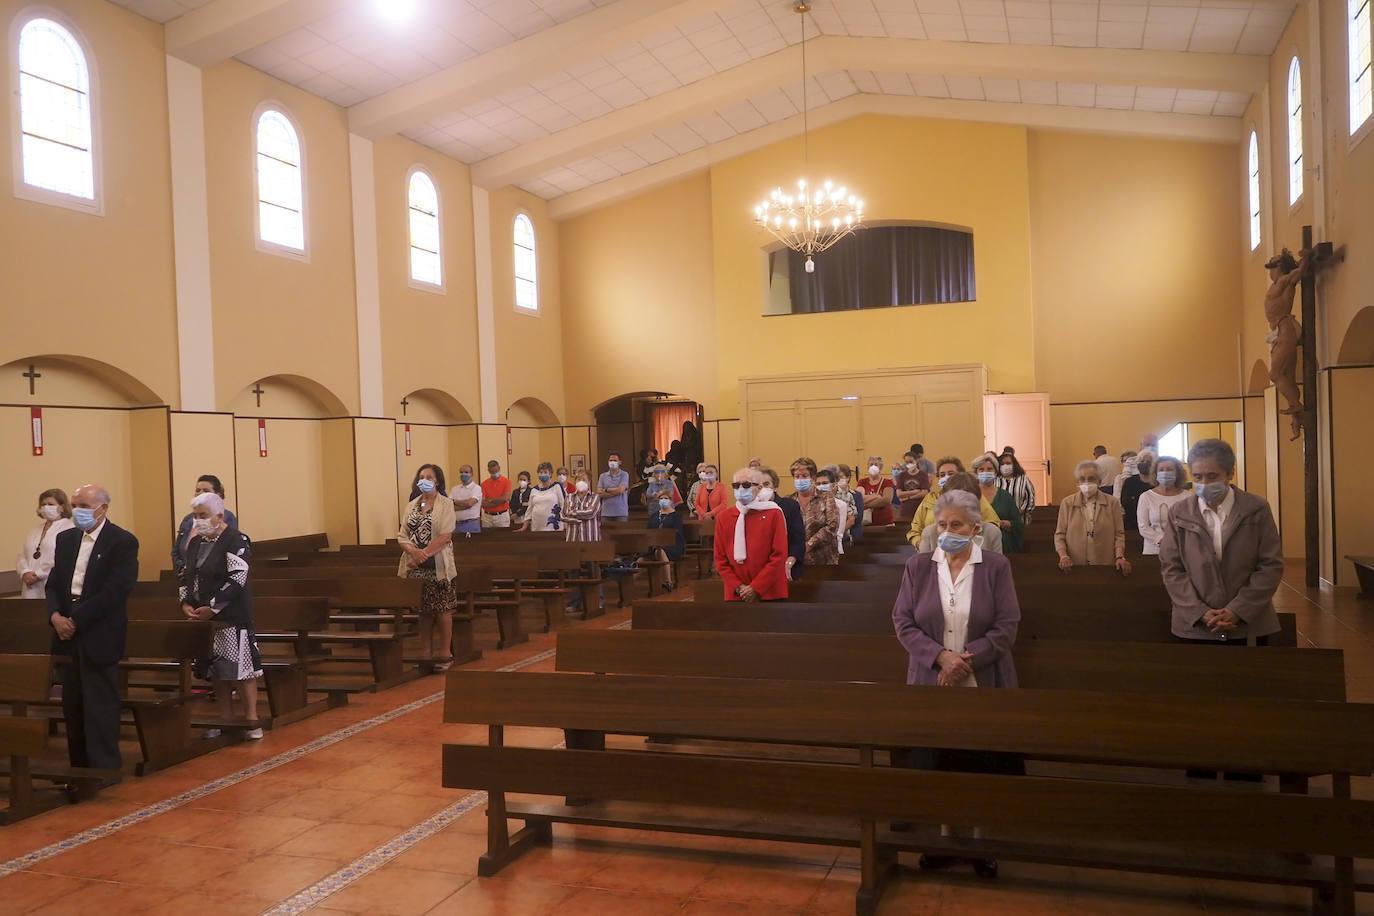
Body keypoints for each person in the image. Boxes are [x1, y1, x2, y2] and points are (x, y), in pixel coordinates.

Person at [891, 488, 1022, 875]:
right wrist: (940, 658)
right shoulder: (918, 566)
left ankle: (981, 844)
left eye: (957, 525)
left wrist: (967, 660)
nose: (947, 531)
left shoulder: (996, 566)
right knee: (939, 761)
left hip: (983, 680)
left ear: (975, 528)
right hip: (932, 680)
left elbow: (1007, 625)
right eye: (942, 524)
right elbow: (903, 622)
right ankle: (944, 840)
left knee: (981, 762)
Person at [46, 483, 138, 772]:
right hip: (66, 632)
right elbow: (53, 585)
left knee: (100, 704)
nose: (78, 512)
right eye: (75, 506)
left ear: (103, 508)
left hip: (99, 630)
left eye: (84, 506)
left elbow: (116, 590)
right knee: (72, 703)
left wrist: (76, 619)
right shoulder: (66, 539)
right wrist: (55, 616)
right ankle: (80, 768)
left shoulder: (121, 541)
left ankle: (104, 769)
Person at [1160, 439, 1282, 644]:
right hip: (1194, 625)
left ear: (1230, 473)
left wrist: (1237, 610)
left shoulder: (1256, 509)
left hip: (1248, 622)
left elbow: (1270, 565)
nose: (1204, 484)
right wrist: (1200, 612)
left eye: (1212, 476)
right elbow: (1172, 568)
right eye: (1197, 477)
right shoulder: (1179, 513)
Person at [180, 492, 262, 739]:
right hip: (205, 620)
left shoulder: (236, 539)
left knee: (241, 672)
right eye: (195, 516)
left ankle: (251, 722)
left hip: (232, 617)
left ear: (219, 515)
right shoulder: (195, 543)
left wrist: (213, 607)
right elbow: (186, 576)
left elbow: (237, 578)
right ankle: (225, 719)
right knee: (217, 671)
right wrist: (186, 602)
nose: (198, 520)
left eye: (202, 515)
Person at [398, 464, 457, 669]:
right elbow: (402, 534)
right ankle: (425, 651)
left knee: (442, 609)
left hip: (438, 565)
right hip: (415, 565)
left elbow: (446, 535)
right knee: (423, 611)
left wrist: (422, 555)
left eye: (429, 477)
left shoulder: (446, 504)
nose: (424, 479)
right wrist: (413, 552)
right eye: (421, 476)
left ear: (437, 481)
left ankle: (444, 652)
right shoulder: (412, 505)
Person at [713, 468, 788, 601]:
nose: (741, 489)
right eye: (736, 486)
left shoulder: (774, 513)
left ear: (759, 488)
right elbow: (720, 558)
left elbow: (779, 555)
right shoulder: (724, 517)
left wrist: (756, 587)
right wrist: (738, 586)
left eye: (746, 485)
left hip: (770, 592)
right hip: (737, 593)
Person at [1055, 461, 1131, 574]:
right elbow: (1060, 535)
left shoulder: (1112, 503)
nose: (1086, 482)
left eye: (1091, 479)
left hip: (1105, 564)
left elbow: (1119, 534)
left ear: (1099, 481)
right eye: (1082, 479)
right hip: (1075, 565)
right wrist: (1064, 556)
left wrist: (1119, 557)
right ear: (1078, 481)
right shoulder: (1067, 503)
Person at [907, 457, 1000, 546]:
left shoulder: (973, 497)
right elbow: (915, 530)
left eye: (950, 474)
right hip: (932, 550)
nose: (946, 477)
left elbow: (992, 523)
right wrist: (921, 544)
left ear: (961, 475)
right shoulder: (930, 498)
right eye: (942, 475)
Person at [915, 473, 1003, 554]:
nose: (959, 507)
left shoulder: (991, 533)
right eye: (952, 501)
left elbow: (997, 567)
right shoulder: (930, 533)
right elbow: (923, 568)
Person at [171, 475, 238, 575]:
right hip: (188, 575)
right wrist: (182, 568)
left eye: (206, 490)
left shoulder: (227, 517)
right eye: (198, 490)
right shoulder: (188, 519)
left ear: (218, 495)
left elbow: (230, 547)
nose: (200, 493)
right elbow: (176, 550)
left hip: (213, 574)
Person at [18, 489, 75, 598]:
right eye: (43, 504)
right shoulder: (34, 531)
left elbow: (63, 557)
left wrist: (38, 574)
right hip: (30, 587)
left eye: (50, 504)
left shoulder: (70, 528)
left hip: (53, 583)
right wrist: (25, 572)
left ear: (61, 507)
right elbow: (22, 555)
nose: (46, 507)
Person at [1137, 456, 1190, 555]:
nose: (1165, 473)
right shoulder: (1146, 497)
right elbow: (1143, 527)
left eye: (1170, 469)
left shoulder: (1188, 497)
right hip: (1153, 551)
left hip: (1182, 550)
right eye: (1161, 470)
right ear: (1155, 474)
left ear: (1177, 473)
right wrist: (1161, 540)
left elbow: (1192, 524)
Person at [791, 459, 839, 568]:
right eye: (797, 476)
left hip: (824, 558)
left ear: (812, 477)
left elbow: (832, 525)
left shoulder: (826, 497)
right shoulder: (790, 500)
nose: (800, 479)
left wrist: (810, 544)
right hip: (797, 559)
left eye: (804, 475)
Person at [972, 453, 1023, 553]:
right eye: (981, 470)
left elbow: (1017, 523)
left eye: (989, 469)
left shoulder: (1005, 496)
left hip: (1001, 544)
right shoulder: (970, 495)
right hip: (975, 546)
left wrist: (1008, 524)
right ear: (976, 473)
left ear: (995, 472)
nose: (985, 472)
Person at [761, 467, 805, 581]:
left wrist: (790, 560)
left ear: (775, 486)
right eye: (758, 485)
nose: (762, 488)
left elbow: (798, 540)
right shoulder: (749, 509)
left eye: (766, 484)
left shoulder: (789, 506)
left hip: (786, 562)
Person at [642, 489, 685, 590]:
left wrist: (662, 541)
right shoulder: (654, 516)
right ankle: (629, 583)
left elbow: (677, 534)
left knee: (660, 550)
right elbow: (648, 531)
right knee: (641, 558)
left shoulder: (676, 516)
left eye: (666, 498)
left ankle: (668, 582)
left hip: (673, 545)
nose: (663, 500)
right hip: (654, 545)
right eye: (661, 498)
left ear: (670, 501)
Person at [1117, 450, 1156, 533]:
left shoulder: (1157, 483)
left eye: (1149, 462)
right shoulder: (1129, 482)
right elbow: (1125, 502)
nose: (1145, 463)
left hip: (1154, 525)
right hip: (1132, 524)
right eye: (1142, 461)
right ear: (1137, 464)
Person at [520, 462, 566, 531]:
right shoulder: (534, 490)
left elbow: (564, 504)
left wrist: (565, 521)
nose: (543, 474)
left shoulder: (557, 486)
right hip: (537, 526)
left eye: (545, 472)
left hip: (553, 526)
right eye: (540, 472)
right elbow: (530, 509)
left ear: (550, 474)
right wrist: (525, 525)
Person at [995, 452, 1036, 527]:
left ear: (1014, 465)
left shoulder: (1024, 479)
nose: (1005, 466)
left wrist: (1018, 513)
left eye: (1008, 463)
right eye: (1002, 464)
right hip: (998, 522)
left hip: (1020, 521)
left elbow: (1030, 499)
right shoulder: (995, 480)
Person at [564, 470, 602, 543]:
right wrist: (584, 513)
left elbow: (590, 514)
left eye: (584, 480)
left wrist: (573, 513)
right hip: (573, 538)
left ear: (589, 482)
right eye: (578, 479)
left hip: (590, 538)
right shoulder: (569, 497)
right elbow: (564, 516)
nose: (581, 482)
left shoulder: (595, 497)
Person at [857, 456, 895, 527]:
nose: (873, 467)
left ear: (880, 467)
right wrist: (876, 497)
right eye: (871, 464)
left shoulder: (887, 482)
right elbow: (859, 498)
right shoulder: (862, 482)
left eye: (876, 465)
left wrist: (866, 504)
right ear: (867, 467)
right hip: (867, 524)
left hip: (885, 523)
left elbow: (886, 500)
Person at [894, 451, 931, 521]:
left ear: (916, 461)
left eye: (911, 462)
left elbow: (924, 493)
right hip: (905, 511)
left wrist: (907, 497)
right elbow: (899, 494)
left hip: (919, 509)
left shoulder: (923, 475)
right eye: (907, 462)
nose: (909, 464)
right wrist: (915, 491)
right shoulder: (902, 475)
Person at [597, 452, 631, 521]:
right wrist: (616, 491)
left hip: (621, 513)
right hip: (606, 512)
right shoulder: (602, 476)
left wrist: (606, 490)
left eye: (615, 460)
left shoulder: (624, 474)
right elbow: (599, 493)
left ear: (620, 462)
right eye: (610, 460)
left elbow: (621, 490)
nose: (612, 462)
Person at [450, 464, 482, 536]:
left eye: (466, 472)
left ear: (472, 474)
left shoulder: (476, 488)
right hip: (457, 524)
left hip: (471, 524)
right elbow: (449, 506)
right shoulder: (454, 489)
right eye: (461, 472)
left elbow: (470, 503)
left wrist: (455, 501)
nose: (463, 474)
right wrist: (465, 505)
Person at [480, 460, 513, 528]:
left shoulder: (506, 482)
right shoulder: (484, 484)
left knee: (503, 537)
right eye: (492, 472)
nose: (494, 473)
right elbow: (483, 503)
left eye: (496, 471)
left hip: (502, 516)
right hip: (487, 517)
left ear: (499, 468)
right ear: (488, 471)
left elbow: (505, 498)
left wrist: (490, 500)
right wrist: (499, 501)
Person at [833, 464, 860, 547]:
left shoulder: (854, 495)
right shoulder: (830, 494)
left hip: (847, 535)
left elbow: (854, 519)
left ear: (848, 478)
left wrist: (838, 534)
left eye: (840, 477)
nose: (838, 480)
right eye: (835, 478)